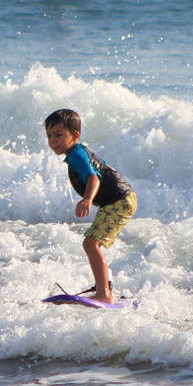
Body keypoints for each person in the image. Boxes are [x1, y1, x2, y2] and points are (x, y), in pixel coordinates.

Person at [45, 109, 137, 303]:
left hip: (119, 201)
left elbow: (94, 178)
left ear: (75, 135)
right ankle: (105, 289)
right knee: (92, 244)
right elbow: (104, 169)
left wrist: (87, 199)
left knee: (90, 244)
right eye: (49, 136)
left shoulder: (77, 155)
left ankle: (104, 293)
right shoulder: (78, 153)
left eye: (59, 135)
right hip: (120, 200)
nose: (53, 141)